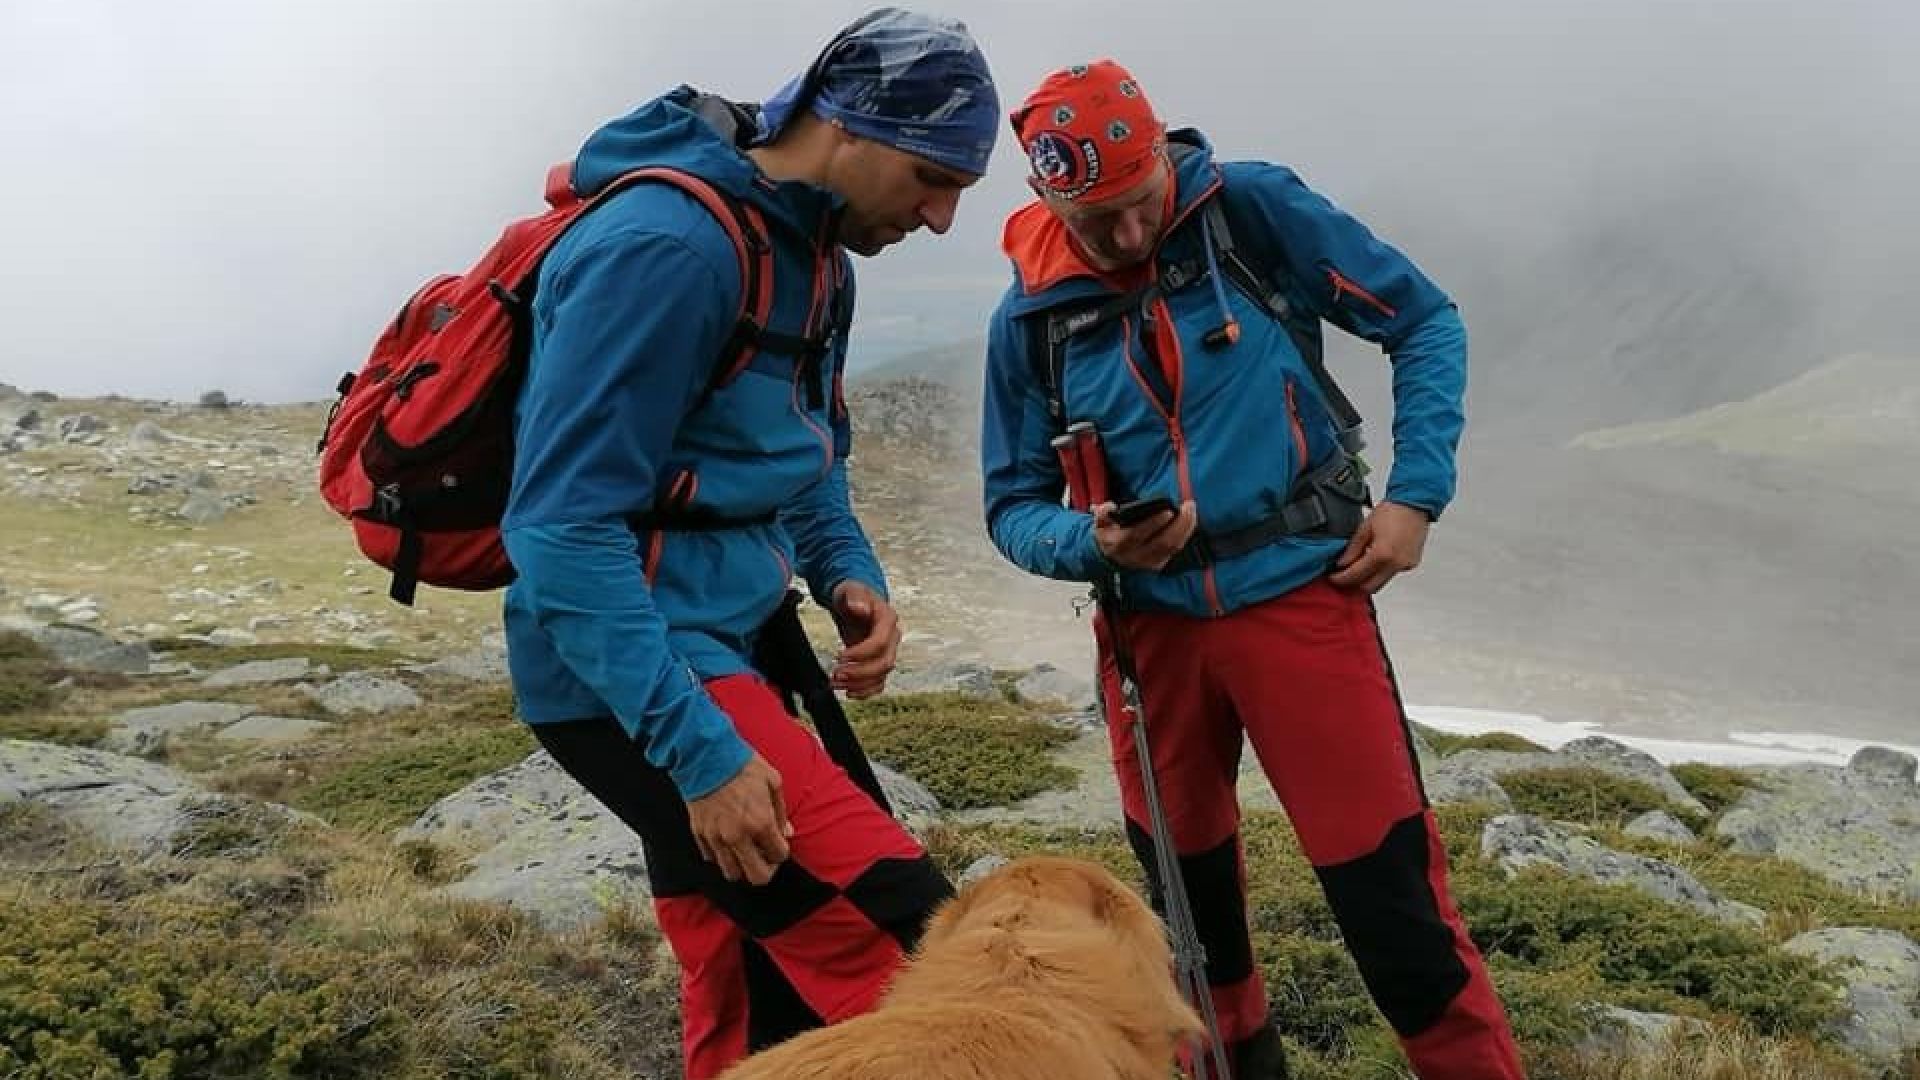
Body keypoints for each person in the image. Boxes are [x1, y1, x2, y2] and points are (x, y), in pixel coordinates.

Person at [980, 60, 1526, 1079]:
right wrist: (1088, 544)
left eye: (1141, 204)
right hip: (1150, 639)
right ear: (1047, 201)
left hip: (1306, 603)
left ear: (1166, 162)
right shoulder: (1033, 312)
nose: (1130, 237)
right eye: (1097, 222)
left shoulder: (1252, 211)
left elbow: (1424, 319)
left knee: (1392, 902)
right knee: (1193, 934)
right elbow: (1009, 507)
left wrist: (1415, 496)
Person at [498, 10, 999, 1078]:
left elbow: (809, 458)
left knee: (748, 983)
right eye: (932, 174)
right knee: (924, 963)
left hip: (734, 639)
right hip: (634, 666)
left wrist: (847, 575)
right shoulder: (665, 249)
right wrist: (703, 756)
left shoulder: (820, 259)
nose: (946, 215)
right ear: (846, 127)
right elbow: (558, 530)